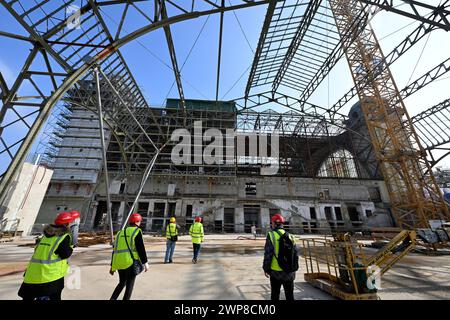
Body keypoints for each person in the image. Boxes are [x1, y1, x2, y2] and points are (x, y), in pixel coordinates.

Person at [18, 212, 75, 300]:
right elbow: (65, 254)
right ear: (67, 224)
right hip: (51, 275)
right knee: (54, 297)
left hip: (32, 274)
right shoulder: (64, 237)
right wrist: (71, 248)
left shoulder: (44, 236)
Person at [110, 213, 149, 300]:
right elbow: (140, 248)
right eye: (139, 221)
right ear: (137, 222)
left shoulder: (120, 233)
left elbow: (115, 249)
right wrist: (145, 262)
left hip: (119, 263)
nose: (140, 223)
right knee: (129, 287)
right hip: (130, 263)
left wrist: (112, 266)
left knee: (122, 283)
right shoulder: (136, 231)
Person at [263, 213, 298, 300]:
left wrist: (266, 268)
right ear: (282, 224)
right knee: (290, 295)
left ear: (274, 223)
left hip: (276, 272)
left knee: (275, 295)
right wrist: (294, 268)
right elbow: (295, 254)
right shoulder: (291, 236)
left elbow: (268, 254)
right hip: (289, 272)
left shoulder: (271, 235)